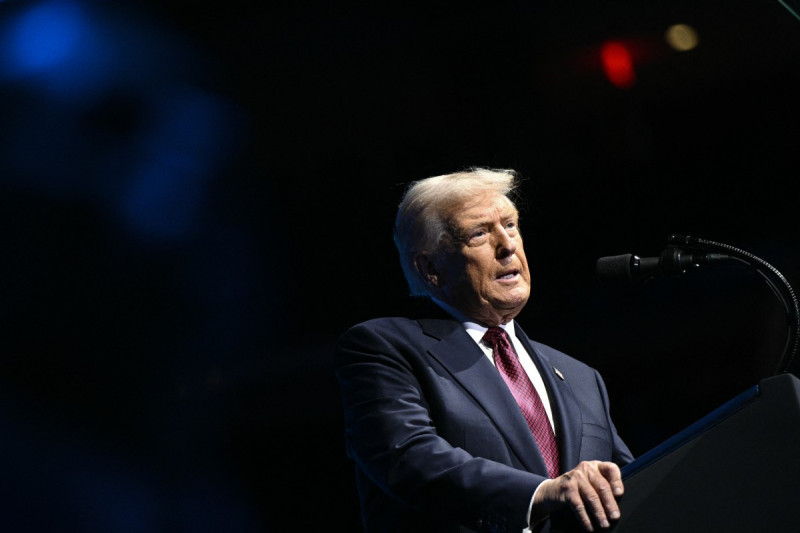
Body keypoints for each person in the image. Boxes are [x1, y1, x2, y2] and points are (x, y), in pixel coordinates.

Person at [334, 167, 634, 533]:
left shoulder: (580, 377)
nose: (507, 245)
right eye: (479, 234)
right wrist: (540, 494)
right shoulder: (386, 348)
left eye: (511, 225)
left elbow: (630, 487)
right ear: (430, 268)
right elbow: (408, 457)